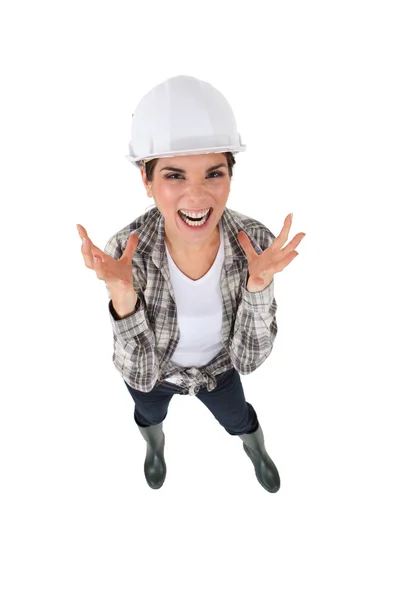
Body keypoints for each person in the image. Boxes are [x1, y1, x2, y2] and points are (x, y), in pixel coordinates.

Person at [76, 75, 306, 493]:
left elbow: (250, 361)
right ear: (147, 182)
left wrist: (258, 287)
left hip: (219, 370)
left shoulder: (254, 242)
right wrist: (123, 298)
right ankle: (155, 445)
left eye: (213, 173)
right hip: (155, 370)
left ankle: (254, 448)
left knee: (239, 417)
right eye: (175, 175)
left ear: (230, 175)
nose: (197, 195)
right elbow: (140, 370)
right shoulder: (128, 251)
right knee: (148, 411)